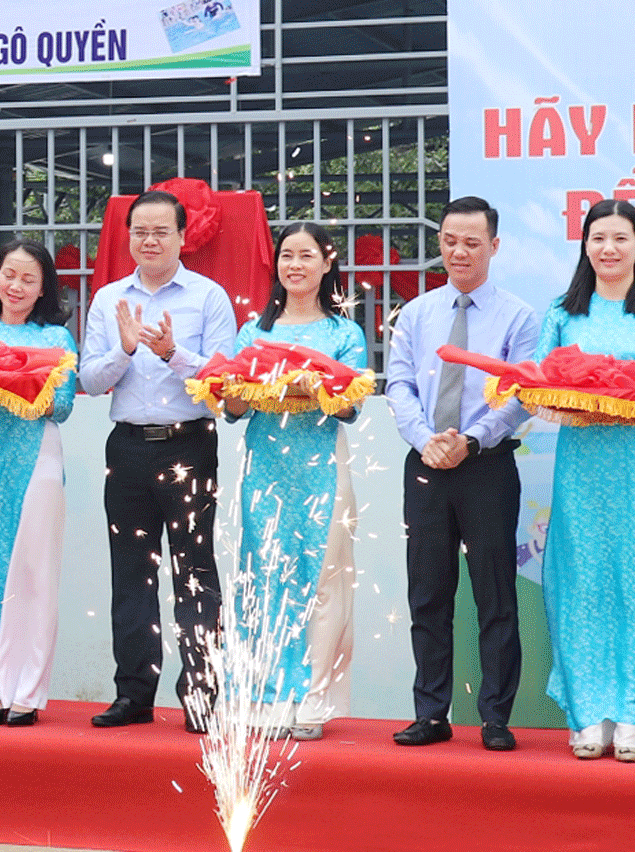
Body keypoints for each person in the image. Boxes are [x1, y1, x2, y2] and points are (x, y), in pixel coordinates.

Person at [534, 198, 635, 761]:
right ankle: (589, 711)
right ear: (585, 245)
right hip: (580, 463)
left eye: (621, 238)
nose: (609, 249)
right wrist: (576, 397)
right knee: (582, 582)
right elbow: (535, 384)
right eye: (598, 238)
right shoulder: (562, 311)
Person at [77, 189, 236, 731]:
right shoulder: (108, 300)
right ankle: (133, 694)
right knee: (132, 575)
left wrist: (171, 353)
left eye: (160, 231)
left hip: (189, 443)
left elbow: (223, 379)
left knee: (194, 572)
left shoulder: (208, 296)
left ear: (182, 236)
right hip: (125, 447)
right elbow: (90, 380)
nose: (148, 240)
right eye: (139, 231)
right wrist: (124, 350)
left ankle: (200, 694)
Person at [385, 195, 538, 751]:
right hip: (425, 464)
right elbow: (398, 385)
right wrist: (428, 440)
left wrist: (471, 439)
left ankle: (495, 716)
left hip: (487, 466)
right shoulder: (418, 314)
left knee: (494, 593)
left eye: (472, 242)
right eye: (450, 241)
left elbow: (521, 393)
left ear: (494, 247)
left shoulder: (519, 316)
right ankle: (431, 711)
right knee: (428, 591)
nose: (459, 251)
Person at [224, 223, 371, 739]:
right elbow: (233, 407)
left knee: (322, 579)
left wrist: (318, 388)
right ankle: (261, 693)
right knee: (262, 576)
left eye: (306, 256)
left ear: (327, 263)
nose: (296, 265)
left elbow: (351, 405)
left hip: (322, 466)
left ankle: (313, 696)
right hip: (264, 468)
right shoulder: (253, 332)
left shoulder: (344, 334)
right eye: (287, 256)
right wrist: (239, 389)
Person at [0, 240, 75, 726]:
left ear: (43, 286)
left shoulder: (57, 341)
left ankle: (27, 691)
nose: (16, 286)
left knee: (33, 575)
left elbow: (61, 406)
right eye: (9, 275)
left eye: (28, 278)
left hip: (38, 462)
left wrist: (18, 380)